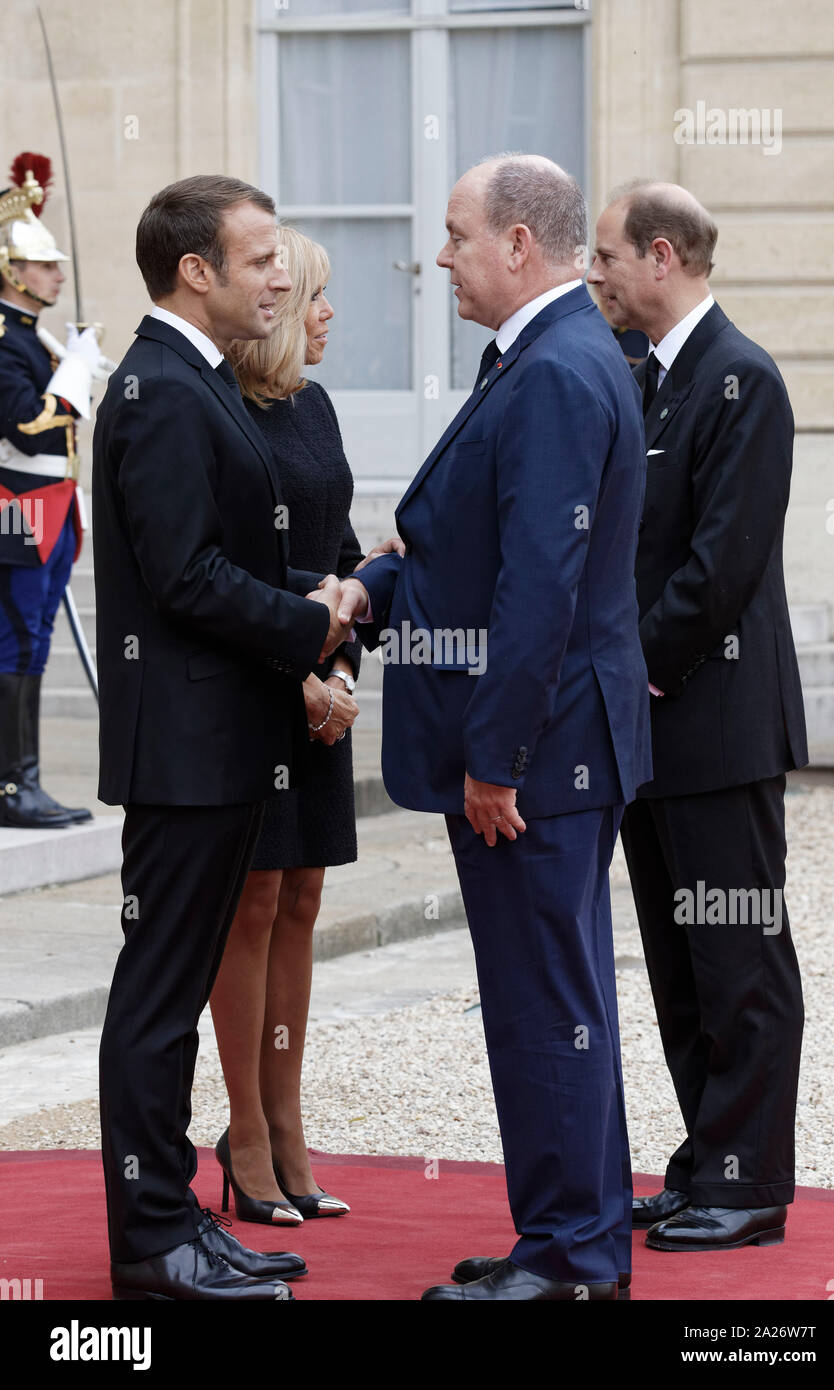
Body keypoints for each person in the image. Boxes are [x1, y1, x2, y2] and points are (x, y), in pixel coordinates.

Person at [339, 154, 651, 1301]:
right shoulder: (549, 354)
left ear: (518, 243)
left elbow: (540, 591)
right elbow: (473, 543)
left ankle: (570, 1257)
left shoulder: (559, 368)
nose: (439, 256)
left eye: (457, 234)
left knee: (543, 1005)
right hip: (556, 741)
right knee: (551, 999)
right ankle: (567, 1239)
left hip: (543, 751)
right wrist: (379, 582)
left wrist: (494, 758)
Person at [92, 175, 354, 1301]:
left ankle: (181, 1223)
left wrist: (320, 601)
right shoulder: (158, 390)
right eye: (258, 260)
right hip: (187, 747)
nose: (280, 276)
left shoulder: (196, 384)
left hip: (217, 739)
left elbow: (216, 559)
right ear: (193, 272)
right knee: (159, 1000)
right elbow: (186, 576)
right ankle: (153, 1241)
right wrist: (314, 619)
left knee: (171, 989)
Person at [588, 180, 807, 1252]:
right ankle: (702, 1164)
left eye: (607, 258)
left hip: (712, 724)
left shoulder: (740, 379)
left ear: (660, 256)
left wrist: (620, 672)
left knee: (738, 960)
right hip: (651, 729)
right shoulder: (644, 378)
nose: (595, 277)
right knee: (677, 964)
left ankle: (750, 1184)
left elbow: (718, 569)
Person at [209, 227, 369, 1223]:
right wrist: (296, 671)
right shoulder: (213, 411)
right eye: (313, 295)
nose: (323, 312)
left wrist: (342, 661)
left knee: (303, 899)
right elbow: (213, 572)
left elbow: (341, 549)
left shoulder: (315, 408)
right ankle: (247, 1131)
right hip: (246, 690)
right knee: (252, 904)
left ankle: (286, 1117)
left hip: (321, 686)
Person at [0, 153, 94, 828]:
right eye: (45, 264)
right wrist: (72, 381)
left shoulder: (34, 341)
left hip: (51, 509)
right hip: (16, 512)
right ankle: (11, 787)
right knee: (15, 640)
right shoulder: (6, 341)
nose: (58, 273)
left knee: (31, 640)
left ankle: (22, 781)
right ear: (13, 269)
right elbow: (28, 428)